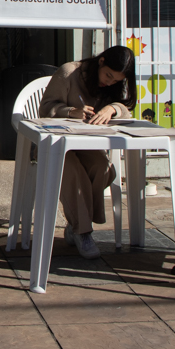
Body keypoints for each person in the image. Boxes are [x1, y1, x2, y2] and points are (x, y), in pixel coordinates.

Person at [39, 45, 136, 259]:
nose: (109, 83)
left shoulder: (111, 86)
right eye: (108, 76)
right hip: (54, 144)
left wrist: (112, 108)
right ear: (101, 61)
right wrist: (71, 111)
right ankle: (83, 231)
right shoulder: (69, 72)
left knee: (103, 168)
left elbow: (126, 111)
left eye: (116, 81)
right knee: (72, 170)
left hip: (85, 143)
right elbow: (45, 108)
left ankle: (76, 225)